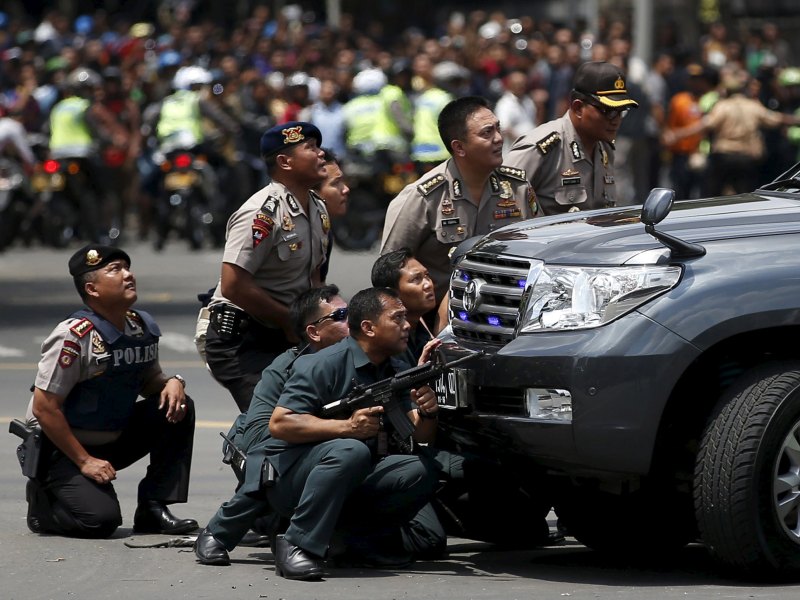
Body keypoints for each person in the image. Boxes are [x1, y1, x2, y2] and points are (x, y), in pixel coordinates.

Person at [246, 287, 440, 580]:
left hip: (357, 471)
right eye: (397, 318)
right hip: (295, 475)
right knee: (351, 450)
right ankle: (296, 543)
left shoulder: (394, 364)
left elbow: (418, 434)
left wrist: (427, 411)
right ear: (368, 328)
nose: (406, 325)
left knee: (421, 474)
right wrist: (347, 427)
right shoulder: (318, 364)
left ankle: (350, 540)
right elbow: (279, 425)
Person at [23, 244, 197, 539]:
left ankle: (153, 508)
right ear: (92, 288)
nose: (128, 275)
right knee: (101, 521)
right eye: (115, 270)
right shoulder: (73, 336)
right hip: (63, 450)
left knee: (179, 407)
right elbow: (44, 408)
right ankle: (44, 505)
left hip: (112, 438)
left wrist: (173, 382)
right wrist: (84, 461)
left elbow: (149, 379)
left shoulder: (139, 327)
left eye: (127, 268)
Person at [194, 284, 350, 566]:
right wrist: (320, 429)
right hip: (260, 450)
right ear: (313, 332)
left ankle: (282, 523)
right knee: (279, 460)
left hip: (310, 449)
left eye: (349, 312)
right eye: (340, 315)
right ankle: (219, 531)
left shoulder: (352, 360)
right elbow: (258, 434)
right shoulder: (286, 367)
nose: (348, 321)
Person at [204, 121, 330, 411]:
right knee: (273, 422)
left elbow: (312, 275)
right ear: (285, 162)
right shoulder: (261, 212)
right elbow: (234, 285)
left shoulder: (316, 207)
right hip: (244, 339)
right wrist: (288, 319)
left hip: (286, 333)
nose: (321, 154)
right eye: (310, 148)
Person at [381, 95, 536, 306]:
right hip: (441, 320)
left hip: (509, 309)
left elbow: (539, 247)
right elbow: (389, 273)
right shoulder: (423, 196)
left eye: (498, 129)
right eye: (486, 133)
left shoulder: (517, 186)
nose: (499, 138)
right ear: (459, 147)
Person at [504, 60, 639, 215]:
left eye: (621, 111)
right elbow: (504, 207)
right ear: (578, 108)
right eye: (608, 111)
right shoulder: (541, 148)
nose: (616, 120)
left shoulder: (604, 148)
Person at [664, 67, 800, 196]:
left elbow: (703, 126)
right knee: (746, 196)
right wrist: (795, 120)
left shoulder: (722, 106)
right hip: (748, 158)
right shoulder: (753, 106)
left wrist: (678, 134)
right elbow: (777, 119)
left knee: (714, 196)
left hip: (724, 156)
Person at [493, 69, 537, 153]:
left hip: (531, 148)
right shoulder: (504, 104)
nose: (521, 87)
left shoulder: (528, 101)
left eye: (523, 84)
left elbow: (533, 121)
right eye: (518, 84)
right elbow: (505, 128)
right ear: (510, 85)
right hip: (514, 150)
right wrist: (524, 142)